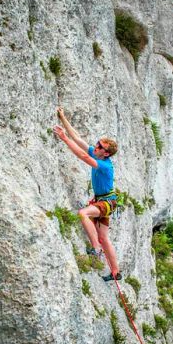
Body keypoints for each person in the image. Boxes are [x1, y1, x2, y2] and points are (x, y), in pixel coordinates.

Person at [53, 107, 122, 281]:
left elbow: (83, 156)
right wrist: (63, 117)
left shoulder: (105, 165)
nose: (96, 146)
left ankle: (95, 248)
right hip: (106, 202)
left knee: (83, 213)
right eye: (98, 144)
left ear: (105, 153)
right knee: (105, 237)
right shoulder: (99, 155)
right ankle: (115, 272)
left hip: (106, 203)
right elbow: (78, 138)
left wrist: (64, 139)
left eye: (100, 146)